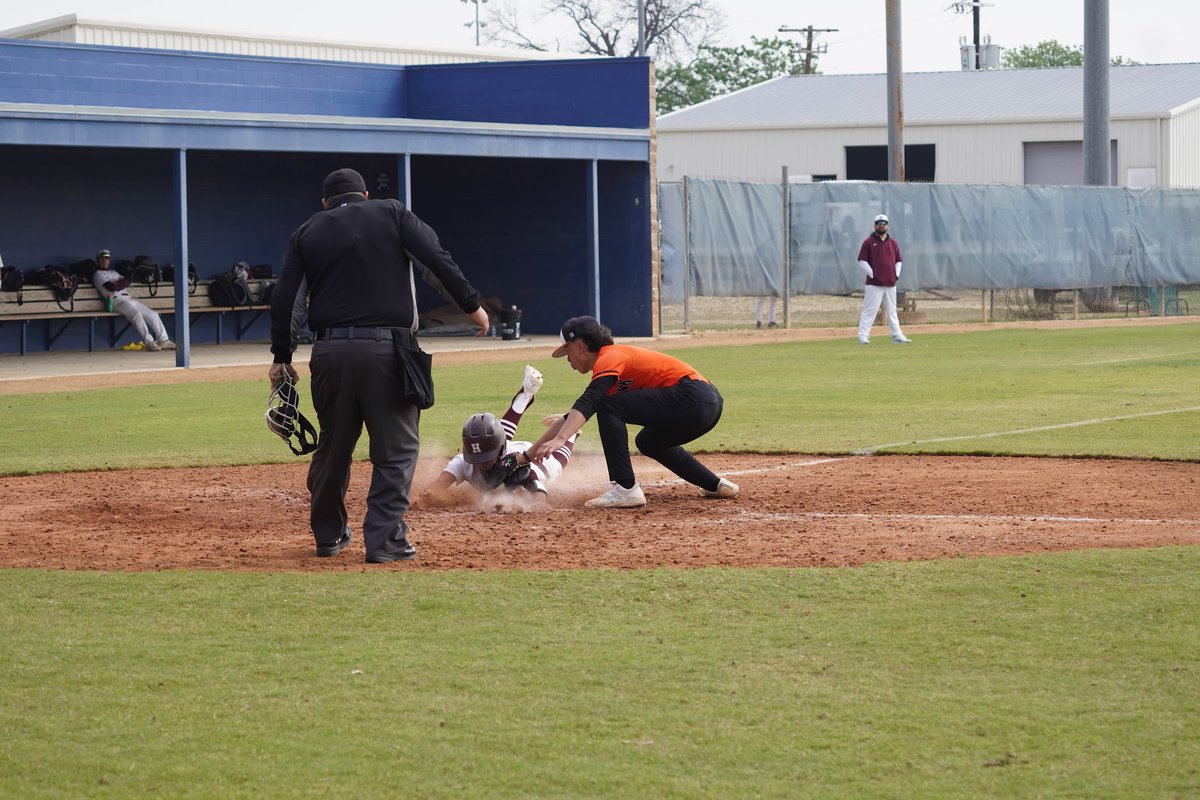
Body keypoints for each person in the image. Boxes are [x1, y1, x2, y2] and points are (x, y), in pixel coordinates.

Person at [268, 167, 490, 563]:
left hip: (330, 353)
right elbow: (436, 259)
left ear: (325, 203)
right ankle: (385, 540)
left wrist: (281, 356)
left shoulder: (307, 231)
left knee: (333, 447)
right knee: (397, 450)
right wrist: (472, 306)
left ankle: (329, 535)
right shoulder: (392, 213)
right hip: (389, 350)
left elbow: (287, 297)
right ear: (366, 194)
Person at [530, 315, 739, 509]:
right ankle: (715, 484)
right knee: (649, 441)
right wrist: (525, 457)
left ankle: (625, 488)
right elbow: (584, 408)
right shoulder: (610, 371)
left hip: (693, 396)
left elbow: (592, 400)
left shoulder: (610, 356)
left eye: (567, 353)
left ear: (580, 346)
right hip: (707, 405)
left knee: (609, 406)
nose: (568, 361)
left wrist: (561, 438)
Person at [415, 365, 582, 506]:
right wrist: (421, 498)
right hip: (507, 450)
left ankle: (572, 432)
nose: (481, 464)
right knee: (493, 432)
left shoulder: (517, 464)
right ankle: (526, 392)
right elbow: (437, 486)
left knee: (557, 463)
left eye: (486, 459)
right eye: (477, 458)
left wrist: (533, 506)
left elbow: (540, 493)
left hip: (529, 459)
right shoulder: (463, 461)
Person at [92, 249, 175, 351]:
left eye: (107, 258)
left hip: (128, 299)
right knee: (137, 315)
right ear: (98, 260)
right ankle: (149, 342)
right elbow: (111, 287)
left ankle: (164, 340)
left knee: (153, 314)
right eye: (102, 259)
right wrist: (120, 283)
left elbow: (127, 281)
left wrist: (119, 284)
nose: (105, 261)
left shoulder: (113, 272)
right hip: (115, 301)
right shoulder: (97, 274)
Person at [856, 214, 912, 345]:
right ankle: (863, 335)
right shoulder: (868, 242)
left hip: (890, 283)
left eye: (884, 223)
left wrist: (895, 275)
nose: (881, 226)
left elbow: (899, 260)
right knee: (870, 310)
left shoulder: (893, 243)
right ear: (874, 226)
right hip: (874, 284)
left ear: (888, 226)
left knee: (892, 310)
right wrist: (872, 274)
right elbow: (862, 261)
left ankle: (896, 335)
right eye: (879, 223)